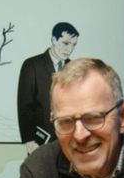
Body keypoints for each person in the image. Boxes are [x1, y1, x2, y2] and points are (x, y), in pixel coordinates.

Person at [17, 22, 79, 153]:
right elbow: (25, 105)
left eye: (73, 45)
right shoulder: (32, 65)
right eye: (66, 43)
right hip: (40, 141)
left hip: (69, 141)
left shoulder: (74, 68)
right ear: (54, 40)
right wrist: (29, 140)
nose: (69, 49)